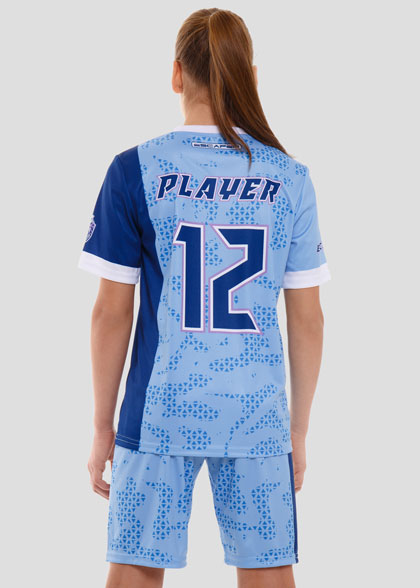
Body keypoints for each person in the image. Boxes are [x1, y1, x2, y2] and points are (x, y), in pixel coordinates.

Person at [78, 7, 331, 588]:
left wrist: (101, 426)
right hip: (257, 415)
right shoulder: (291, 179)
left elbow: (110, 313)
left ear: (176, 74)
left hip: (159, 409)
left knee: (135, 571)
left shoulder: (134, 170)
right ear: (252, 77)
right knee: (269, 574)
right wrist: (297, 431)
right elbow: (309, 320)